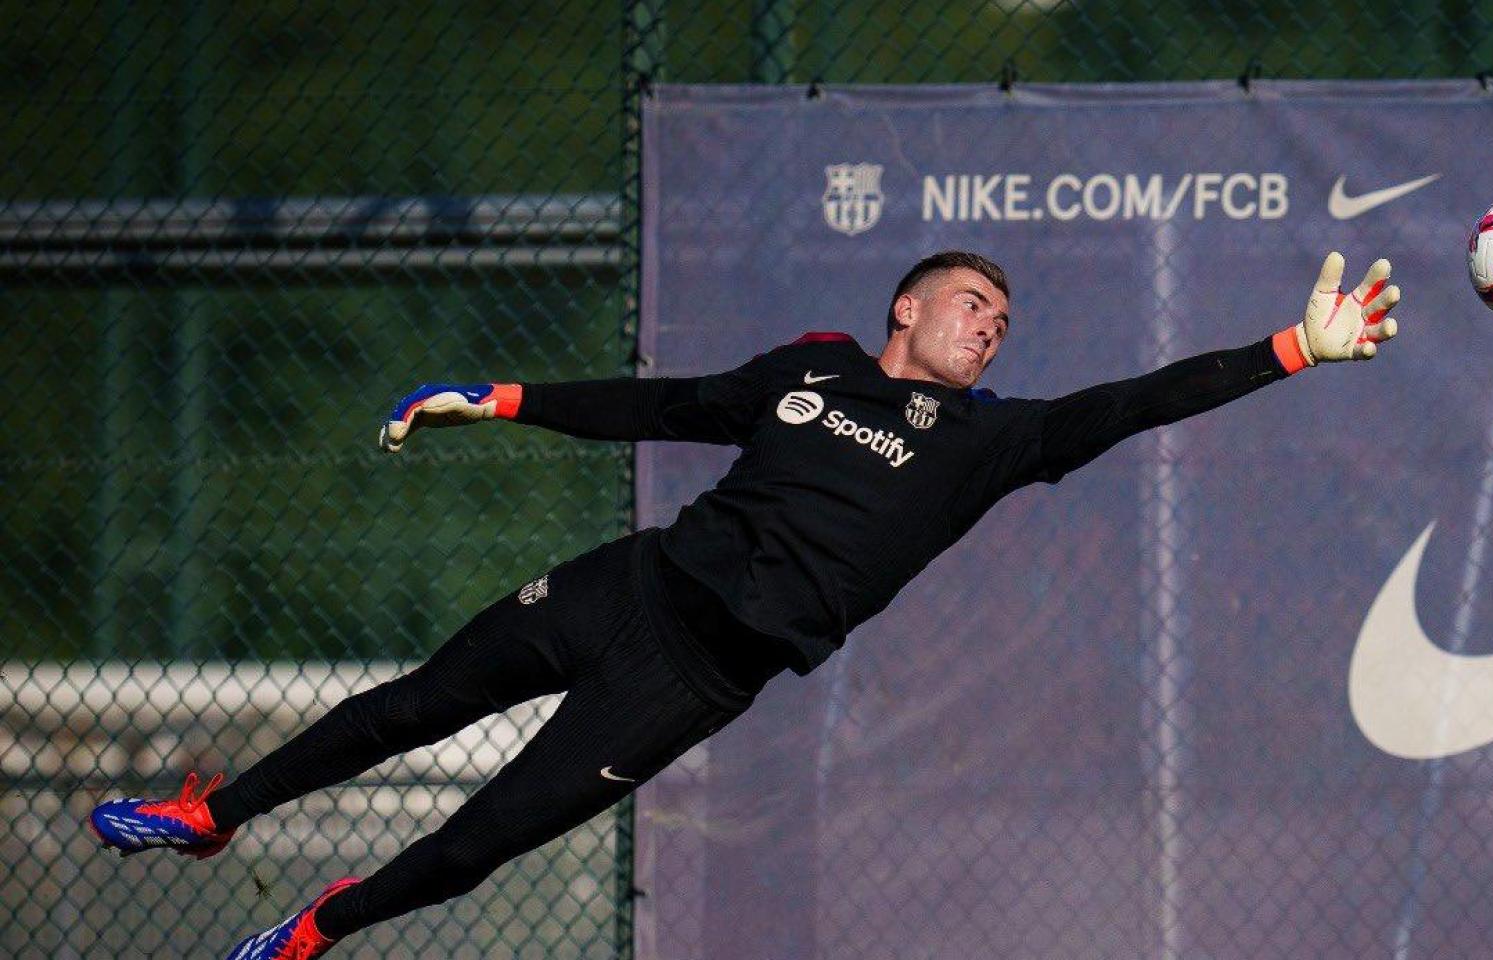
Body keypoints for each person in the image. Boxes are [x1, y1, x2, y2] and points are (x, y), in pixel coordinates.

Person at [89, 249, 1399, 959]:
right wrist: (494, 398)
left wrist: (1296, 350)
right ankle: (213, 814)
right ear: (905, 305)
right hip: (633, 584)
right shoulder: (809, 370)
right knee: (416, 704)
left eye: (1004, 319)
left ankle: (320, 923)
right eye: (970, 304)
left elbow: (1135, 400)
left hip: (699, 675)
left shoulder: (986, 439)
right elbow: (660, 405)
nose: (989, 327)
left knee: (485, 839)